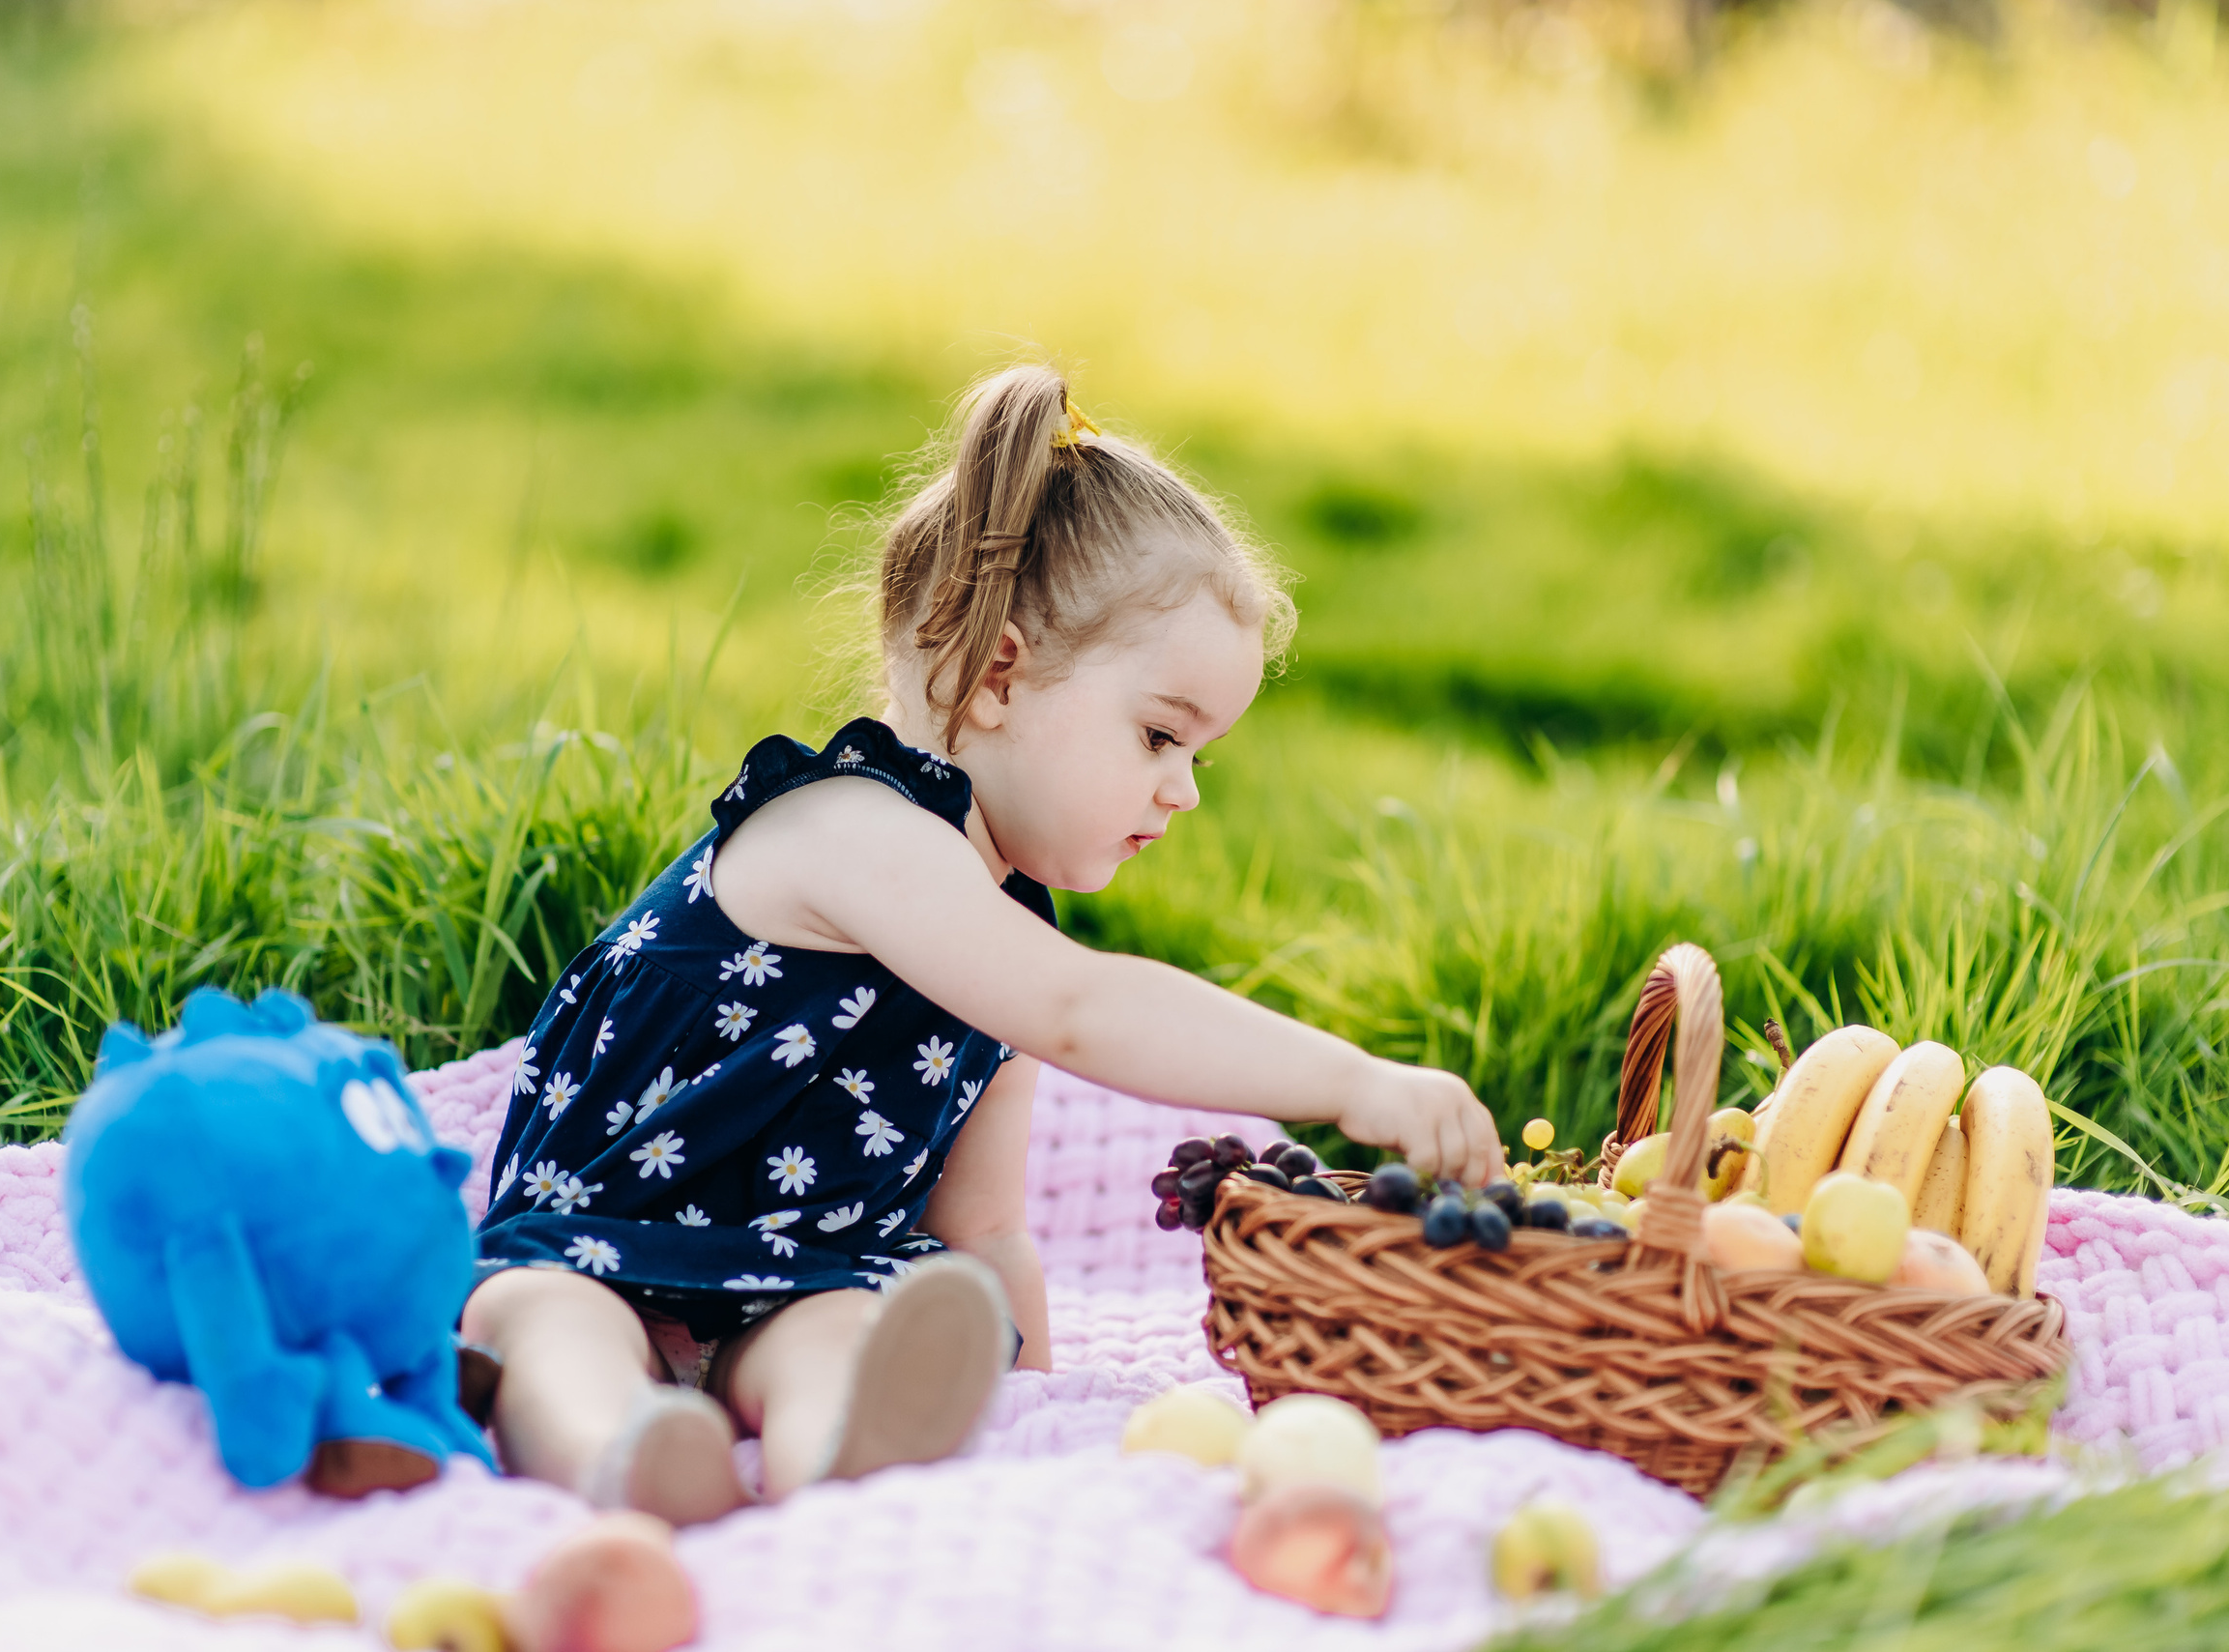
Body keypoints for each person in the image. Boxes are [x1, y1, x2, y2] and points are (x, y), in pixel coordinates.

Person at [460, 362, 1504, 1539]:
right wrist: (1353, 1081)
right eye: (1162, 733)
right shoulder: (854, 829)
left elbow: (986, 1227)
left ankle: (837, 1465)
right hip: (599, 1236)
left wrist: (1040, 1410)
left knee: (847, 1335)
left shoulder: (998, 926)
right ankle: (619, 1454)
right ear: (997, 672)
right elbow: (1079, 1008)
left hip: (795, 1282)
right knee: (546, 1319)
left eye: (1199, 754)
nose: (1184, 790)